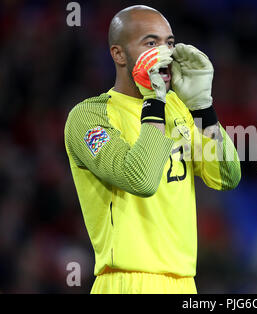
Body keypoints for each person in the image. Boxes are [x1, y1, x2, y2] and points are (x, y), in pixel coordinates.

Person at [63, 5, 241, 294]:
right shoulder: (89, 117)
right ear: (118, 54)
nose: (165, 53)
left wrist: (203, 108)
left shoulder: (178, 110)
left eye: (169, 43)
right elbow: (140, 179)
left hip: (184, 284)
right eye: (151, 43)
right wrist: (155, 101)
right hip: (125, 281)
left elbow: (227, 176)